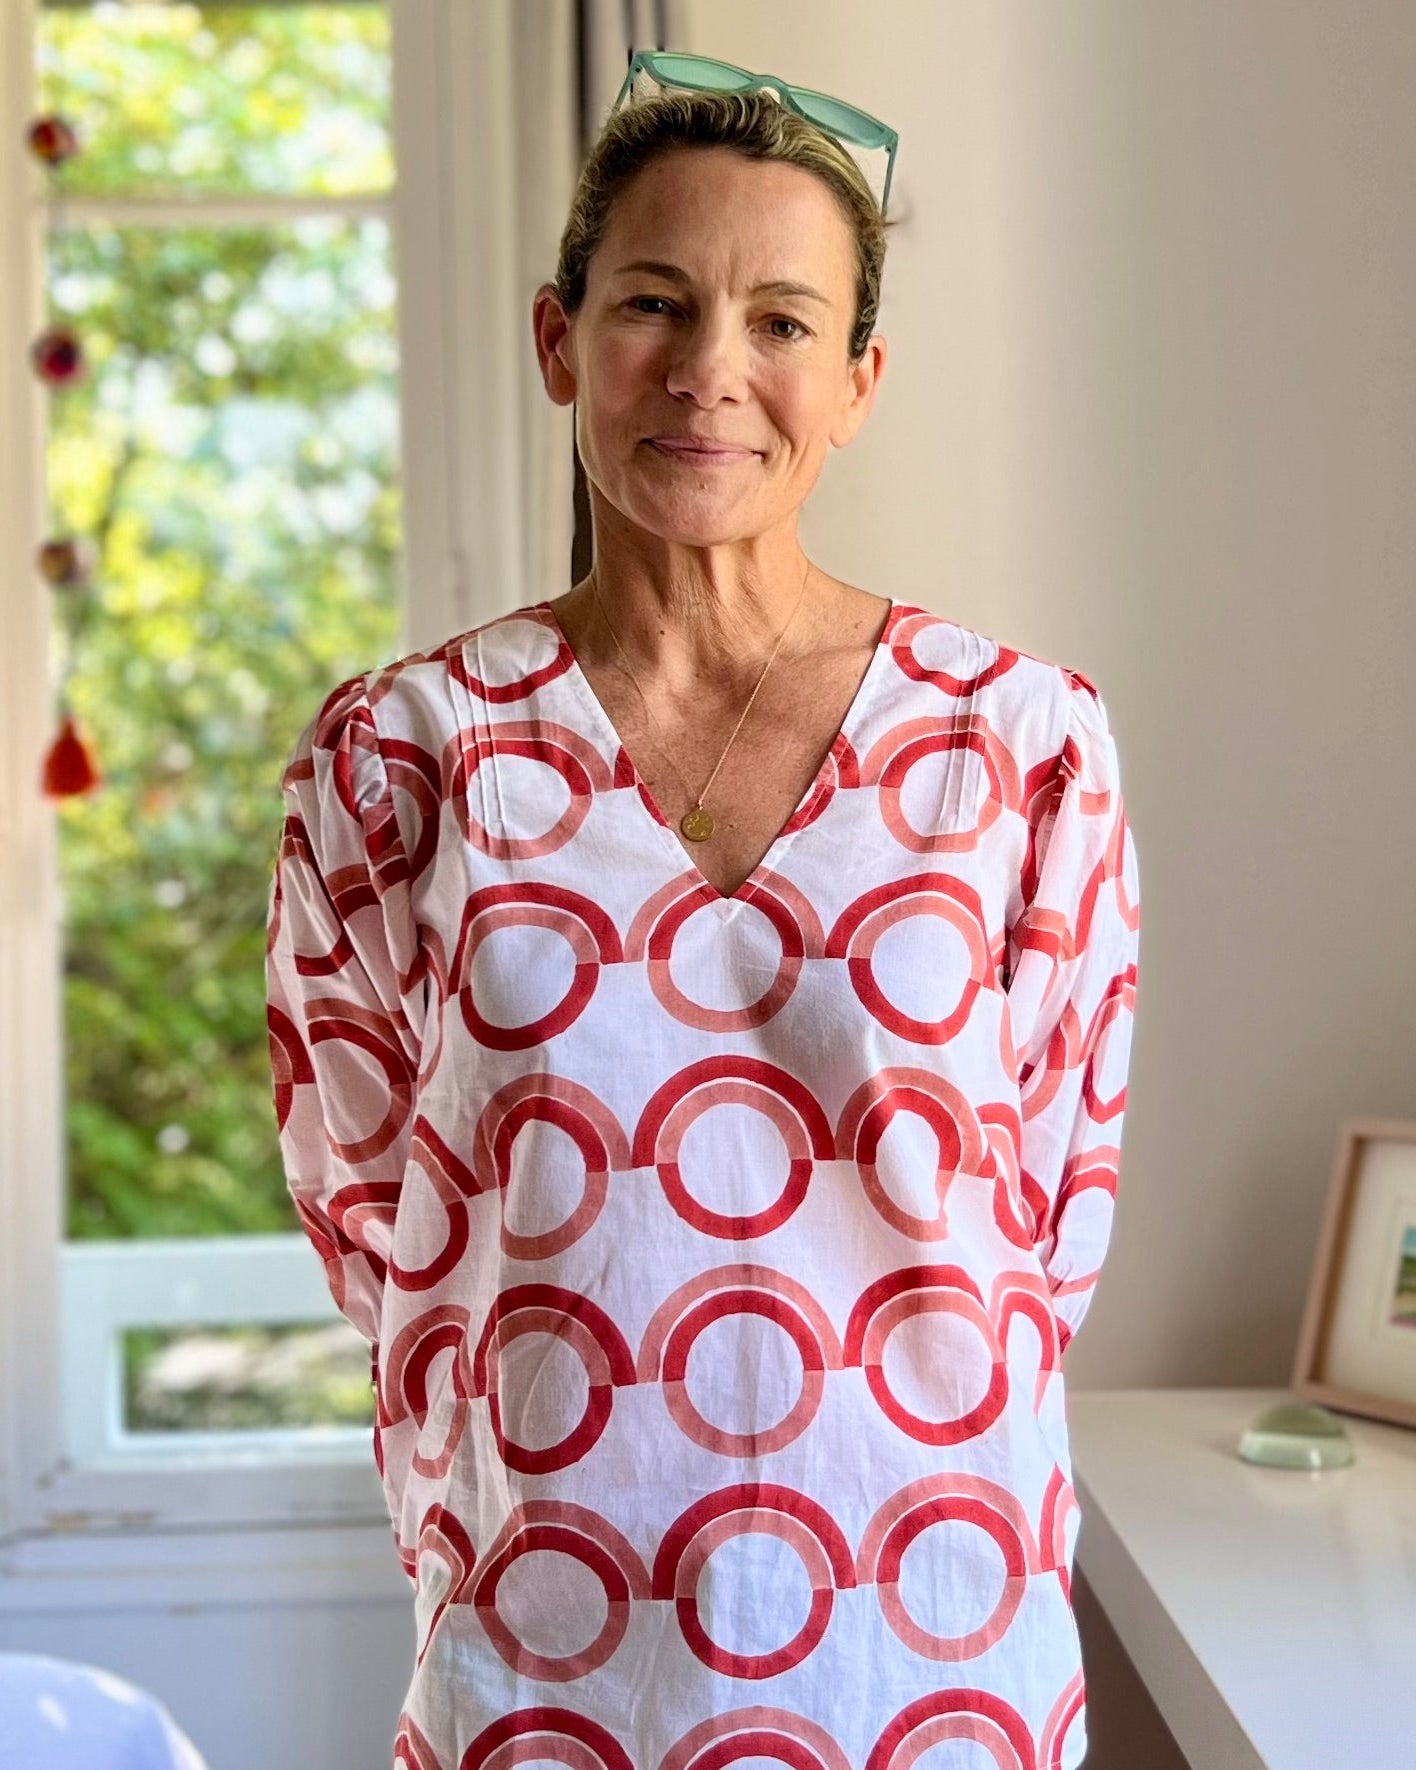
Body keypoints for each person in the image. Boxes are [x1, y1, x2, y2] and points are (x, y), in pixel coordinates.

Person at [266, 70, 1140, 1770]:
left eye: (783, 319)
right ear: (559, 340)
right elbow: (364, 1215)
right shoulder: (400, 757)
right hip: (547, 1661)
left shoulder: (1023, 744)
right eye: (652, 302)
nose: (709, 368)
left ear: (860, 381)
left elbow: (1048, 1223)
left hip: (937, 1654)